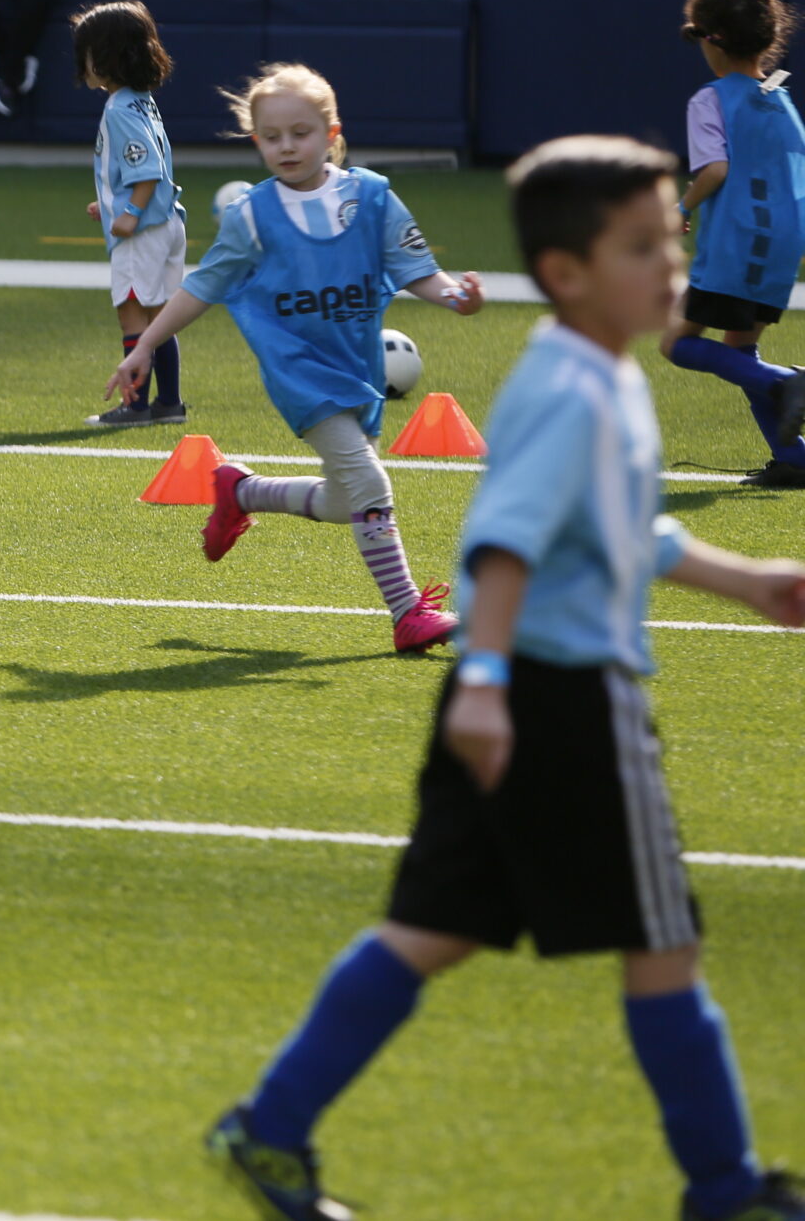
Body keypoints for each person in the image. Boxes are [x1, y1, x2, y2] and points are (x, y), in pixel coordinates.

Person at [206, 136, 805, 1221]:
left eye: (670, 240)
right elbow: (502, 544)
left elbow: (615, 526)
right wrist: (483, 676)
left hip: (508, 697)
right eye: (642, 246)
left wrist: (748, 580)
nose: (672, 263)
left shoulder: (588, 370)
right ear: (568, 271)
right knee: (662, 940)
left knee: (433, 929)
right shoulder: (577, 388)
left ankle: (270, 1127)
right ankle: (726, 1191)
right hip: (564, 699)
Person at [108, 64, 482, 654]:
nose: (286, 146)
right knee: (369, 481)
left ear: (332, 133)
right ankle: (408, 612)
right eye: (272, 136)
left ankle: (242, 490)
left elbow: (417, 270)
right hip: (300, 374)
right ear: (256, 140)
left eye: (300, 133)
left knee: (346, 499)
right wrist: (148, 343)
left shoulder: (372, 197)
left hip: (357, 368)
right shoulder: (252, 215)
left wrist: (457, 296)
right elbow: (203, 286)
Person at [659, 0, 805, 488]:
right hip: (782, 245)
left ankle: (787, 383)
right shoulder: (780, 97)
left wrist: (681, 206)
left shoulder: (711, 98)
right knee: (740, 350)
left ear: (712, 41)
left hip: (736, 242)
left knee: (676, 343)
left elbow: (715, 171)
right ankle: (794, 458)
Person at [76, 2, 186, 427]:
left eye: (87, 52)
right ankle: (169, 403)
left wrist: (130, 213)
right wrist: (108, 204)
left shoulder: (119, 109)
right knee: (160, 317)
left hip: (143, 231)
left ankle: (136, 407)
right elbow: (141, 164)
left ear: (106, 57)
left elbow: (147, 171)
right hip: (166, 223)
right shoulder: (142, 102)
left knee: (133, 313)